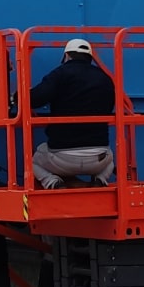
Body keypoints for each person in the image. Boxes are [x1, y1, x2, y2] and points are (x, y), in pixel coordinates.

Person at [29, 37, 116, 187]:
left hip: (61, 156)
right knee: (111, 159)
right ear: (90, 58)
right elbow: (109, 107)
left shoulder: (59, 74)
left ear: (66, 56)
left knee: (32, 161)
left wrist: (17, 97)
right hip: (98, 157)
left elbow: (35, 99)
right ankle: (101, 179)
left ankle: (52, 182)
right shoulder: (105, 79)